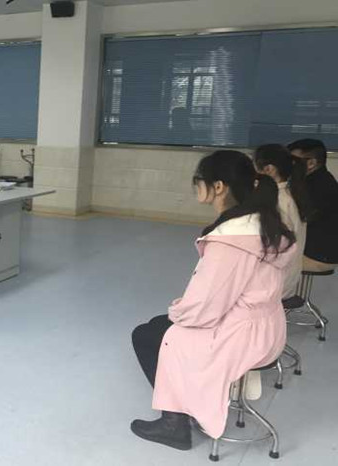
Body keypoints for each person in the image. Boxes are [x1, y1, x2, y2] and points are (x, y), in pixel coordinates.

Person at [130, 150, 296, 450]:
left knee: (145, 335)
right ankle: (182, 407)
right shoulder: (263, 223)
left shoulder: (232, 240)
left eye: (199, 181)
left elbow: (204, 308)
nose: (197, 186)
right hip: (267, 326)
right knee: (158, 324)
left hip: (240, 335)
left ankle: (174, 423)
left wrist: (178, 312)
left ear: (218, 186)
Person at [254, 144, 311, 298]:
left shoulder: (278, 202)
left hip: (277, 284)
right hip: (287, 277)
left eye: (256, 169)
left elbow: (270, 250)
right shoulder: (291, 194)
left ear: (269, 169)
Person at [287, 139, 338, 272]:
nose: (288, 165)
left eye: (293, 160)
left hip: (317, 256)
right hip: (320, 252)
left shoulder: (318, 187)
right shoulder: (321, 180)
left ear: (311, 163)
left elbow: (298, 219)